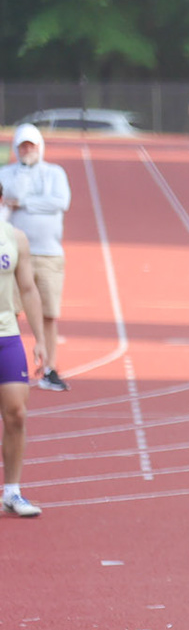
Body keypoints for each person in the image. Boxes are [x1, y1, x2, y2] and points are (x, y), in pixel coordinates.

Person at [0, 124, 72, 391]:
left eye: (31, 145)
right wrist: (24, 187)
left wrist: (26, 202)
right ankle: (11, 365)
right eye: (22, 146)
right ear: (16, 149)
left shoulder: (55, 173)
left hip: (49, 254)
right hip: (15, 254)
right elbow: (8, 199)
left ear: (40, 147)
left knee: (49, 313)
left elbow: (60, 202)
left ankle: (49, 367)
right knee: (10, 312)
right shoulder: (6, 174)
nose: (27, 150)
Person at [0, 220, 49, 516]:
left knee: (16, 413)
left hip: (6, 335)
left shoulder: (15, 238)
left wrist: (40, 339)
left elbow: (28, 289)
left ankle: (12, 492)